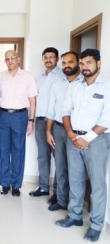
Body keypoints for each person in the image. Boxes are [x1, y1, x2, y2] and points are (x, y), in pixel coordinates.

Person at [56, 49, 110, 243]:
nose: (84, 67)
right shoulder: (76, 86)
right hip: (74, 139)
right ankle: (74, 216)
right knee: (76, 180)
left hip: (97, 141)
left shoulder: (107, 85)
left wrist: (87, 137)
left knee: (97, 185)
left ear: (99, 63)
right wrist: (71, 133)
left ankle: (96, 226)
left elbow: (107, 117)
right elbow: (65, 110)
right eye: (82, 63)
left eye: (88, 62)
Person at [45, 52, 83, 211]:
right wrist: (48, 130)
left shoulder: (85, 84)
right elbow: (51, 110)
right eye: (64, 62)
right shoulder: (57, 84)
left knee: (75, 171)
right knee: (60, 167)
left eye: (71, 62)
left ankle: (74, 208)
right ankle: (61, 200)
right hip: (59, 129)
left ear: (78, 63)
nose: (67, 65)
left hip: (77, 133)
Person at [0, 50, 37, 197]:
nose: (10, 61)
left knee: (18, 150)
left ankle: (16, 185)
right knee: (3, 151)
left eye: (12, 58)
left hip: (20, 116)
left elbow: (32, 100)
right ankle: (5, 183)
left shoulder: (28, 77)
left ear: (18, 59)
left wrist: (31, 120)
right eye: (7, 59)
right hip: (3, 116)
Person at [30, 47, 62, 203]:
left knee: (59, 157)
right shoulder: (39, 78)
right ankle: (43, 187)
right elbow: (34, 99)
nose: (48, 60)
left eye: (52, 57)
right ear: (42, 59)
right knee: (42, 155)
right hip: (40, 121)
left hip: (56, 123)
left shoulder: (63, 77)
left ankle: (57, 191)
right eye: (46, 57)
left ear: (57, 59)